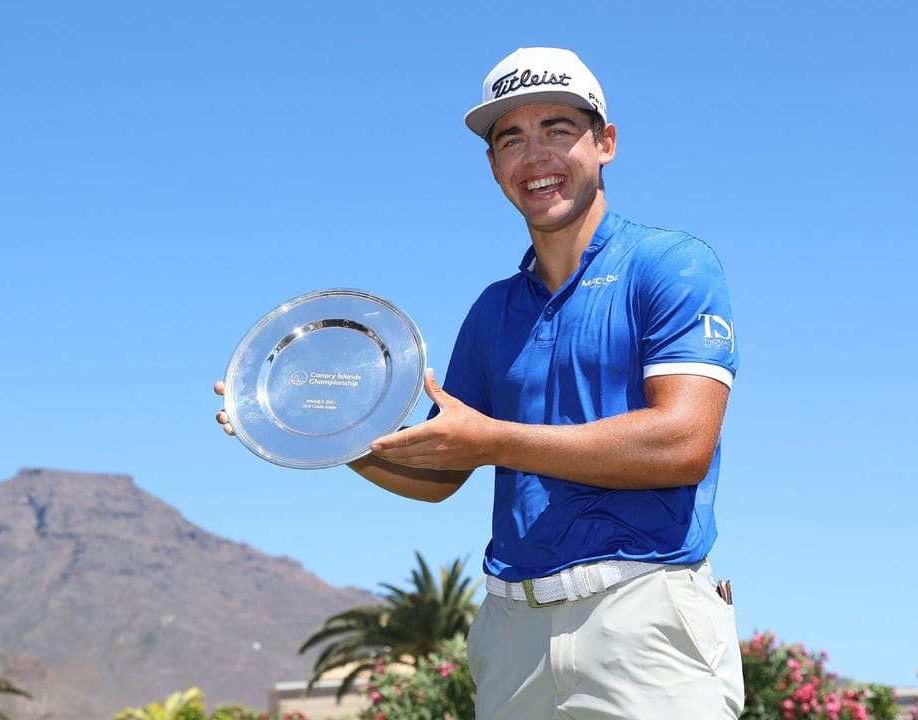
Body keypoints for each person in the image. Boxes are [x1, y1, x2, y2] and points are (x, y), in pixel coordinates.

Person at [216, 46, 743, 719]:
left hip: (643, 613)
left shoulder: (671, 265)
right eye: (511, 139)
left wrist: (491, 440)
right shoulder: (493, 310)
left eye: (558, 129)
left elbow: (682, 443)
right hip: (511, 630)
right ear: (493, 166)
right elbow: (439, 474)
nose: (535, 155)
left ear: (605, 143)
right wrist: (315, 433)